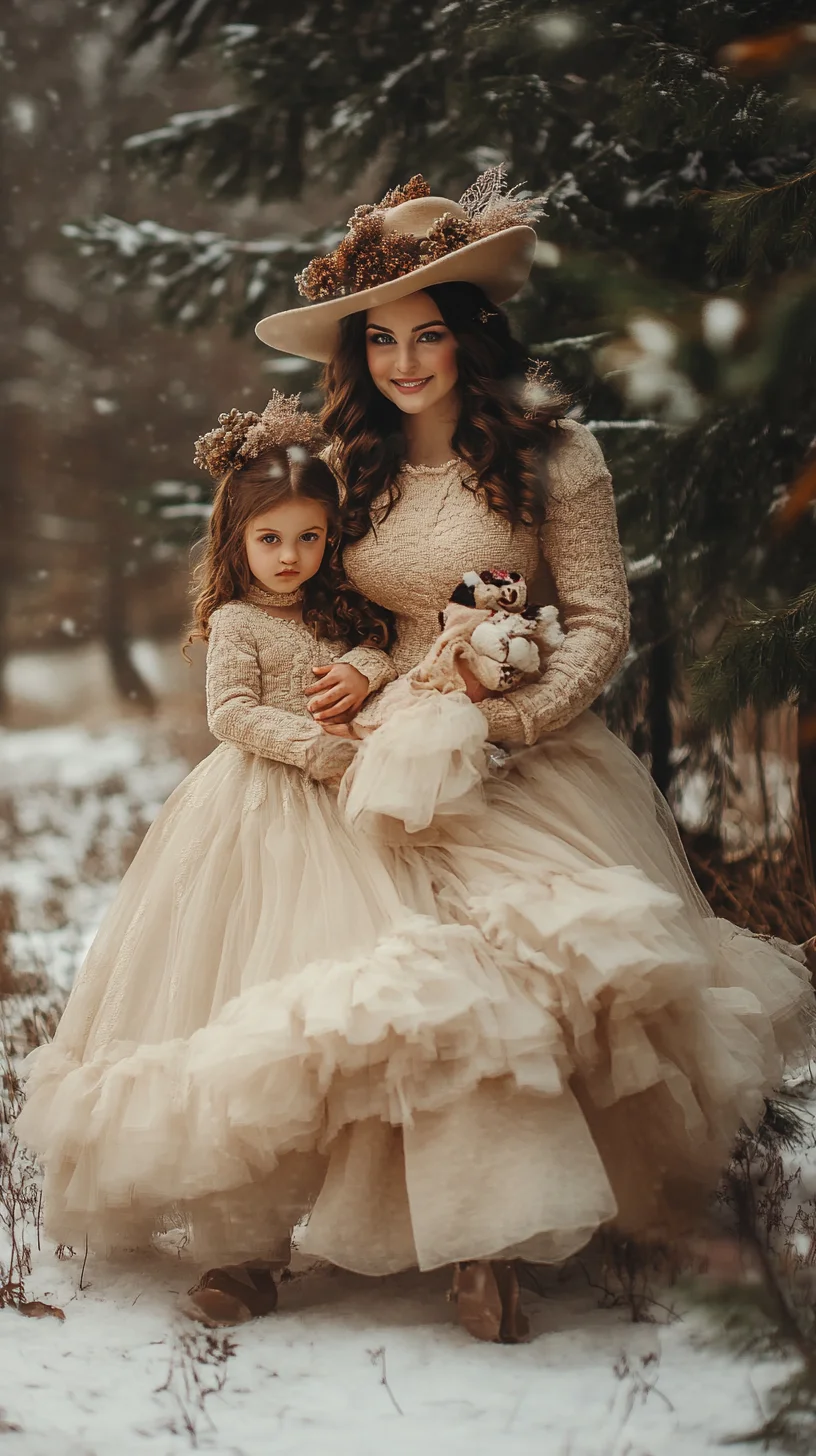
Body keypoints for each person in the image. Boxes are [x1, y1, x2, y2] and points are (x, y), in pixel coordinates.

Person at [253, 168, 815, 1342]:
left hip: (518, 735)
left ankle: (496, 1240)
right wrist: (351, 665)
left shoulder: (556, 453)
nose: (407, 362)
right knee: (384, 979)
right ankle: (336, 1219)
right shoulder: (348, 462)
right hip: (376, 741)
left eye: (429, 334)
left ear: (470, 334)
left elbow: (601, 621)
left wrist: (505, 719)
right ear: (359, 355)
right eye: (383, 341)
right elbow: (325, 594)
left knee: (518, 964)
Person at [14, 392, 416, 1325]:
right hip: (254, 813)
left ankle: (370, 1206)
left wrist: (373, 671)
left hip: (346, 824)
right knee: (235, 999)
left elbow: (385, 656)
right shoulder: (237, 621)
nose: (291, 558)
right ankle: (243, 1247)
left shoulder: (338, 613)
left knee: (337, 1002)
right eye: (271, 539)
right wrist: (317, 745)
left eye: (310, 538)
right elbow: (231, 715)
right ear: (235, 541)